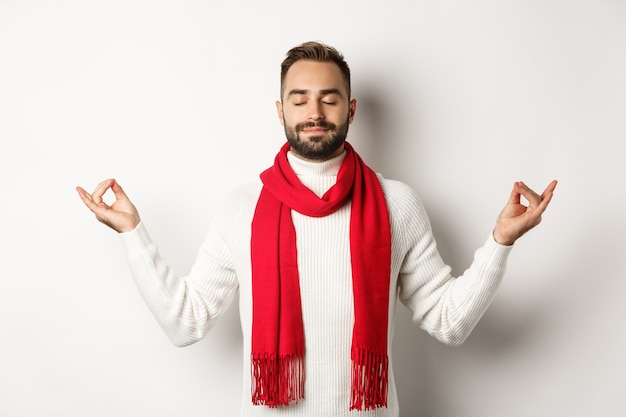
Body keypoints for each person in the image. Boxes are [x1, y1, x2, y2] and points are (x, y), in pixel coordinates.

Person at [76, 41, 557, 417]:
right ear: (280, 110)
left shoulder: (396, 204)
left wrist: (500, 242)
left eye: (329, 99)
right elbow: (185, 323)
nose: (314, 113)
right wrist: (131, 232)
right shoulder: (240, 208)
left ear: (351, 110)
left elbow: (449, 323)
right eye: (299, 99)